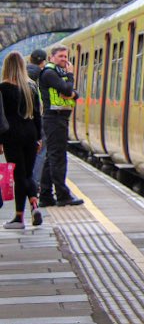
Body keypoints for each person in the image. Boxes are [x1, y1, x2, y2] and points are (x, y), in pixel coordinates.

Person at [0, 52, 43, 228]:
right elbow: (38, 115)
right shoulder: (31, 87)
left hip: (12, 135)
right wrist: (39, 138)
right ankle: (34, 205)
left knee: (19, 175)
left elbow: (0, 117)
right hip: (30, 133)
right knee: (27, 174)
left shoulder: (2, 88)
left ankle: (19, 217)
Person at [37, 45, 84, 207]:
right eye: (61, 56)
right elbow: (66, 88)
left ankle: (45, 196)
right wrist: (71, 77)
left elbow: (73, 93)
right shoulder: (50, 73)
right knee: (58, 158)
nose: (64, 59)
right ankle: (63, 195)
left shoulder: (57, 73)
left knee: (51, 157)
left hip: (58, 119)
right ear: (52, 57)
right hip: (54, 119)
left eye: (66, 56)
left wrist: (71, 91)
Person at [27, 49, 47, 191]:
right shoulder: (42, 75)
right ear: (43, 62)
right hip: (36, 120)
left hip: (21, 123)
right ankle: (34, 184)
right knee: (40, 152)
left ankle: (24, 181)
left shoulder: (21, 74)